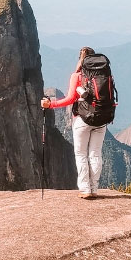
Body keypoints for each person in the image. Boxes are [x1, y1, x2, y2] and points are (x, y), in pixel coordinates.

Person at [41, 46, 107, 199]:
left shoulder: (77, 76)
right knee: (95, 154)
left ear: (80, 59)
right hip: (101, 119)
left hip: (82, 120)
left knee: (81, 153)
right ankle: (94, 188)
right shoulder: (103, 74)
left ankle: (85, 190)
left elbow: (70, 99)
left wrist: (50, 104)